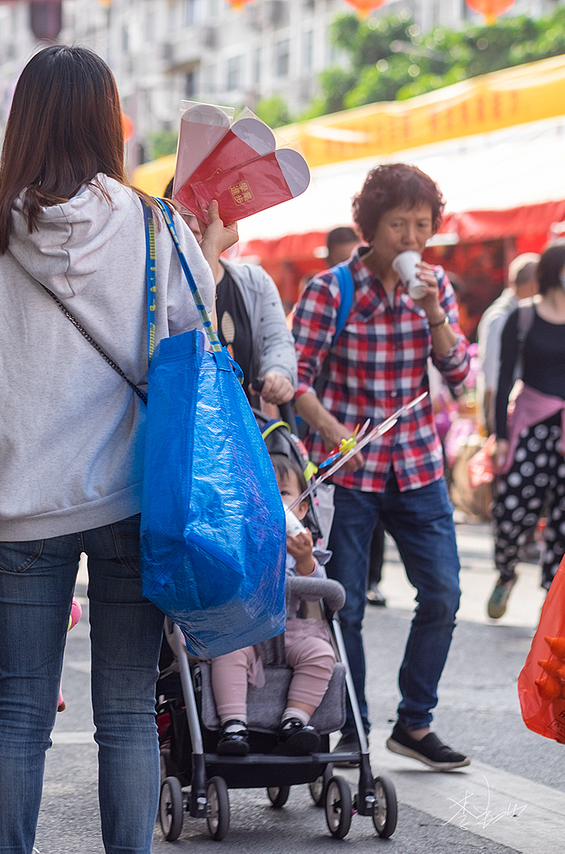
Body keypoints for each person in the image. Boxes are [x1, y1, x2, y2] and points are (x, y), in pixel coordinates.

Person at [0, 45, 217, 854]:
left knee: (20, 710)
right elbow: (200, 344)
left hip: (22, 505)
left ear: (21, 124)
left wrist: (11, 369)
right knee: (125, 711)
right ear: (106, 120)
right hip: (133, 496)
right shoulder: (156, 224)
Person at [290, 163, 471, 771]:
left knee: (443, 592)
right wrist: (335, 432)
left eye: (422, 226)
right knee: (348, 606)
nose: (412, 239)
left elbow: (461, 373)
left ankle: (414, 723)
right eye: (399, 225)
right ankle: (354, 727)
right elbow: (296, 382)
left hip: (417, 464)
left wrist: (435, 314)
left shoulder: (435, 286)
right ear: (371, 226)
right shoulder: (331, 290)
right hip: (350, 475)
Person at [212, 454, 336, 757]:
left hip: (291, 631)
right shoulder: (240, 537)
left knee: (322, 654)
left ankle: (295, 721)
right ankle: (233, 725)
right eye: (263, 492)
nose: (273, 500)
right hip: (244, 631)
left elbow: (315, 591)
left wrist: (305, 560)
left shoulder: (304, 546)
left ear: (303, 507)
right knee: (225, 654)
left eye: (283, 493)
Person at [164, 179, 296, 410]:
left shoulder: (254, 282)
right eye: (184, 214)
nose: (194, 225)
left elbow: (276, 341)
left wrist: (278, 373)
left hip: (245, 433)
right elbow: (196, 349)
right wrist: (210, 253)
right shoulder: (159, 287)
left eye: (203, 213)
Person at [487, 242, 565, 618]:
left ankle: (553, 600)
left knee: (563, 522)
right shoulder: (522, 317)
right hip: (530, 426)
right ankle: (505, 574)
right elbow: (503, 379)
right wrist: (499, 434)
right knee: (511, 510)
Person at [326, 227, 390, 608]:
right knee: (344, 526)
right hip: (338, 432)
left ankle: (373, 579)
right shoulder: (329, 290)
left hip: (388, 439)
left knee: (377, 520)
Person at [479, 252, 540, 436]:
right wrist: (497, 429)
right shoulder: (501, 317)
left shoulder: (520, 314)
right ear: (533, 285)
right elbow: (492, 378)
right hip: (504, 415)